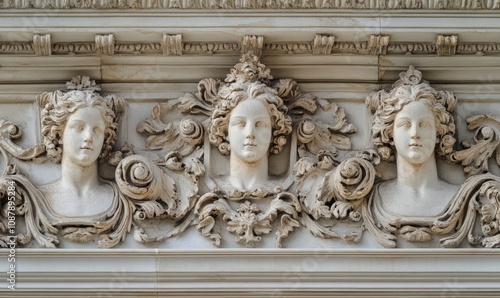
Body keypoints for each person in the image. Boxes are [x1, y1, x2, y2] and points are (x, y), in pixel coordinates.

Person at [364, 66, 460, 247]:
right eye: (405, 124)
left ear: (439, 132)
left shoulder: (459, 197)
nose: (415, 133)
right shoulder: (375, 197)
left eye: (424, 124)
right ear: (388, 133)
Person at [38, 88, 122, 220]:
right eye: (79, 127)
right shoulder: (38, 197)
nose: (89, 137)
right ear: (59, 134)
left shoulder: (118, 197)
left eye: (97, 130)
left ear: (105, 138)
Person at [208, 81, 292, 190]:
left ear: (274, 132)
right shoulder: (214, 187)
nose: (250, 134)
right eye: (240, 124)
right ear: (224, 131)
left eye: (260, 124)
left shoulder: (282, 187)